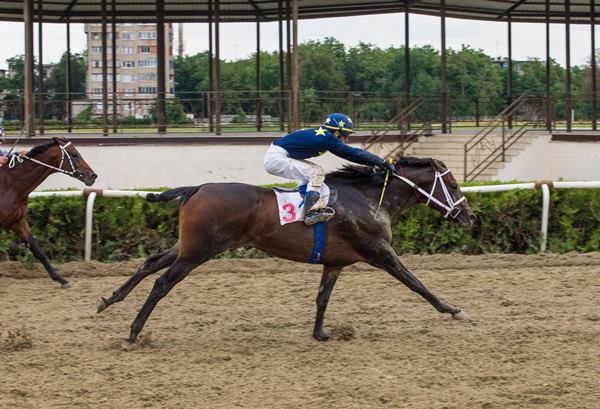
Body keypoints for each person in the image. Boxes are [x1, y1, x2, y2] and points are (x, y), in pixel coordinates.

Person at [264, 113, 394, 225]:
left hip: (279, 155)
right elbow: (353, 153)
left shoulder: (323, 135)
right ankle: (309, 213)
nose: (347, 138)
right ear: (337, 132)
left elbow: (351, 155)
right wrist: (381, 162)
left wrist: (375, 164)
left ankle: (301, 207)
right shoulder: (327, 137)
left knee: (316, 175)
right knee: (316, 172)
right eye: (346, 134)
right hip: (276, 158)